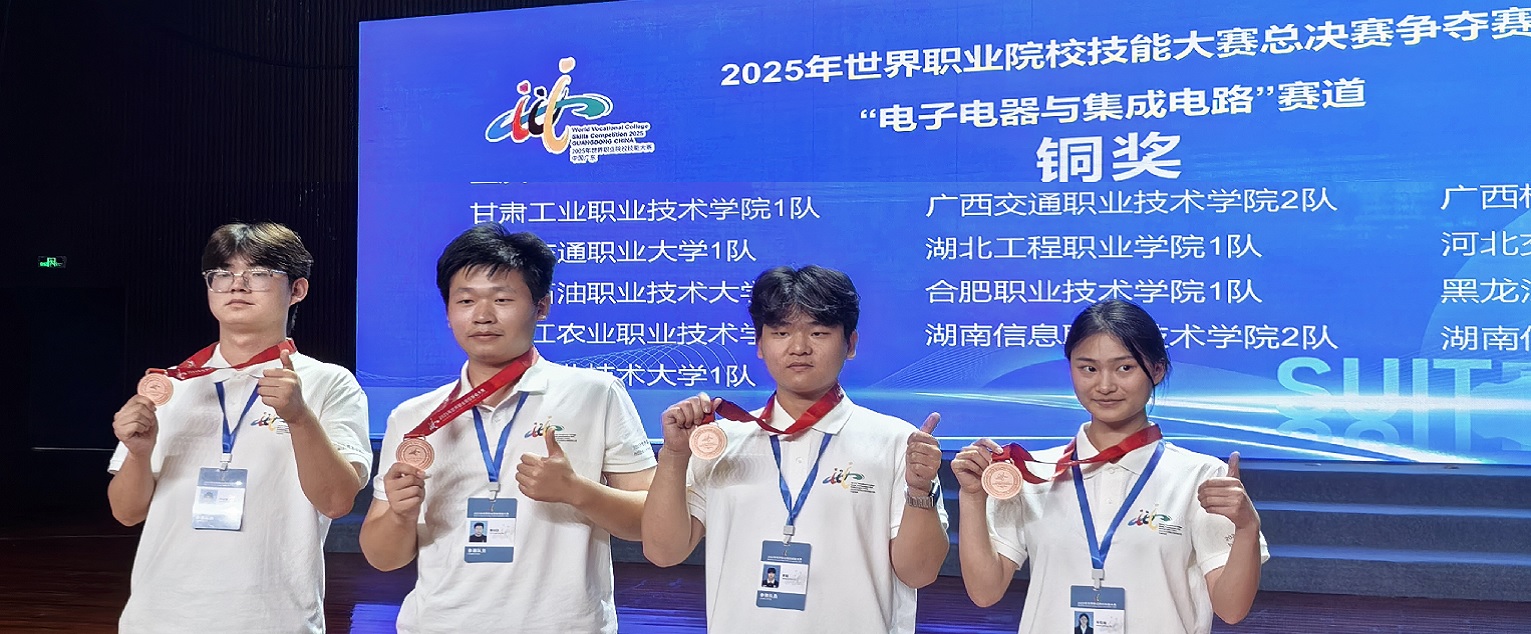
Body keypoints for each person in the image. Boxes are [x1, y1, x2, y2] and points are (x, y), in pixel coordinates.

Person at [360, 224, 656, 634]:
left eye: (502, 299)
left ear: (542, 305)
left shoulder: (594, 393)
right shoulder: (414, 418)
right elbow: (383, 558)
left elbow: (651, 522)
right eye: (465, 300)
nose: (482, 316)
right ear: (448, 312)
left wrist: (577, 491)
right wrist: (400, 513)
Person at [642, 264, 950, 633]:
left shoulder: (896, 441)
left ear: (850, 344)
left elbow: (919, 572)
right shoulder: (722, 443)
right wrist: (675, 456)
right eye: (781, 332)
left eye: (818, 332)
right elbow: (663, 551)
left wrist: (919, 491)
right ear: (760, 344)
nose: (799, 347)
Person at [108, 222, 373, 633]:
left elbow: (337, 502)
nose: (237, 285)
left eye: (259, 273)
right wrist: (139, 453)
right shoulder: (172, 385)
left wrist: (299, 417)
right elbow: (126, 513)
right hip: (158, 616)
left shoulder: (328, 383)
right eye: (222, 274)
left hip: (271, 619)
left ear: (298, 289)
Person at [953, 300, 1268, 634]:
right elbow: (985, 592)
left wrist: (1247, 527)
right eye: (1088, 368)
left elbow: (1231, 609)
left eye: (1124, 368)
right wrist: (972, 498)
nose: (1104, 386)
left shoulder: (1199, 477)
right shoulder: (1036, 473)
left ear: (1157, 370)